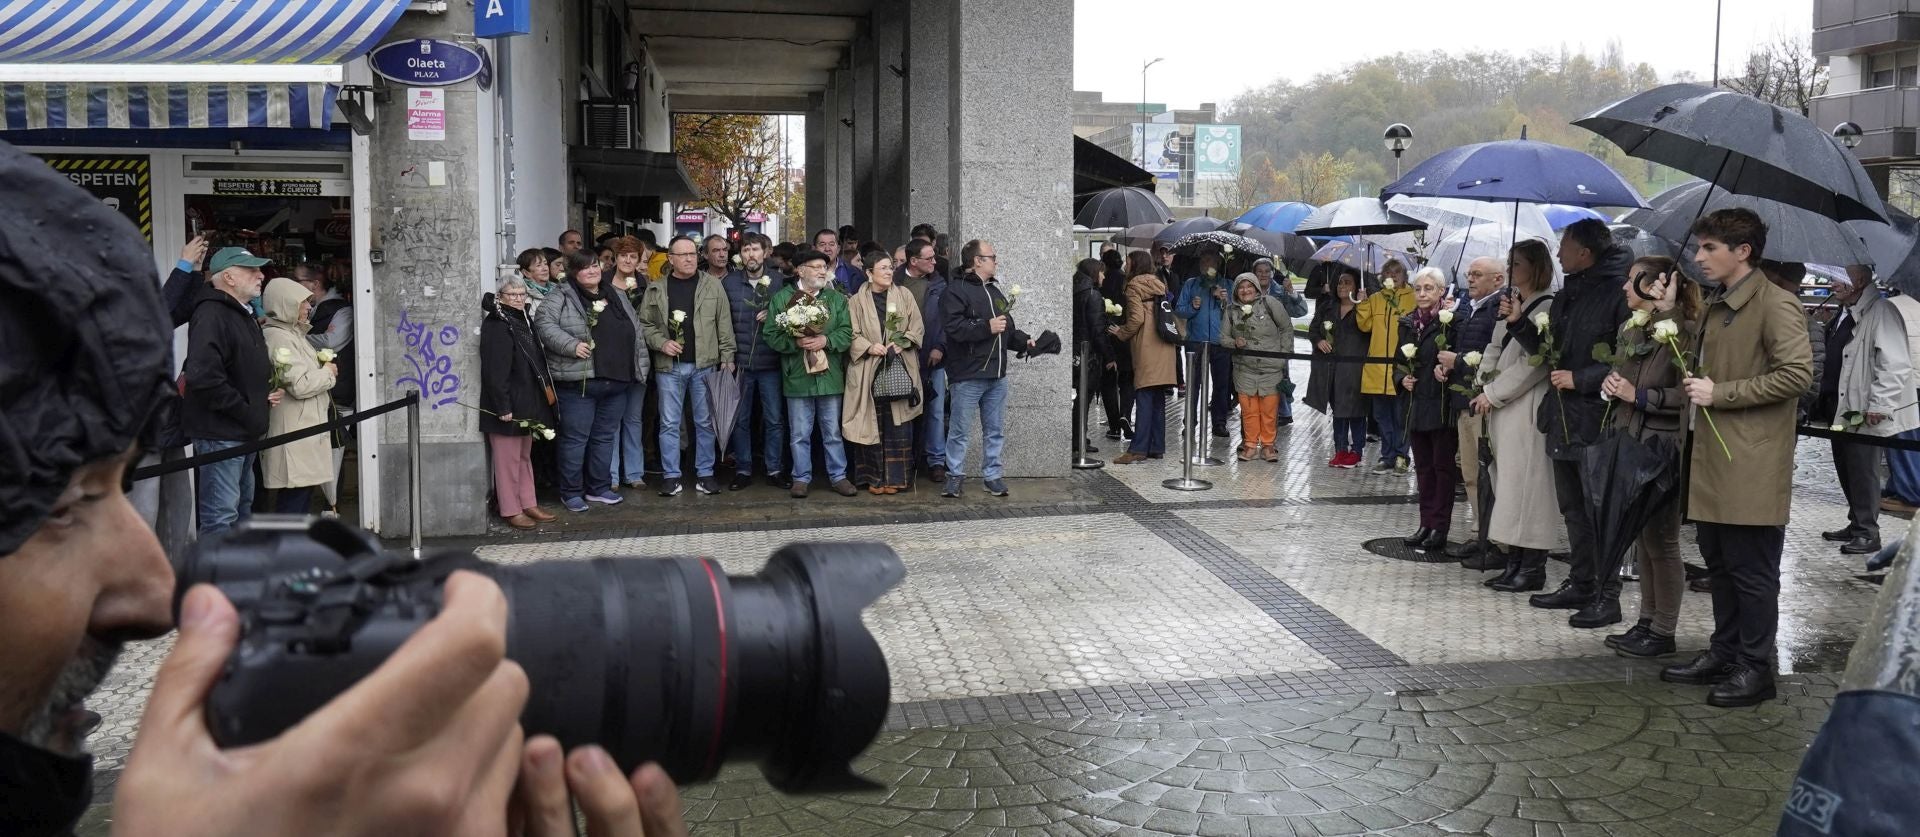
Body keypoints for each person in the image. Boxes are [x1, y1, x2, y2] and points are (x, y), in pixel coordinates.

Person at [0, 141, 686, 837]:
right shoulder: (221, 317)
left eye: (120, 484)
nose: (155, 593)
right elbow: (228, 379)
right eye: (61, 506)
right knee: (229, 510)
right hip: (254, 432)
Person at [1660, 208, 1813, 707]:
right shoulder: (1717, 303)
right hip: (1711, 461)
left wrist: (1720, 392)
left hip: (1749, 465)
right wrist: (1668, 315)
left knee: (1751, 572)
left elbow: (1796, 376)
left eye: (1710, 248)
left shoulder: (1775, 303)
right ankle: (1724, 653)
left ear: (1742, 251)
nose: (1700, 257)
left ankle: (1755, 667)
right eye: (1700, 247)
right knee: (1720, 566)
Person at [1513, 218, 1632, 628]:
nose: (1558, 252)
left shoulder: (1619, 294)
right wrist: (1518, 324)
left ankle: (1606, 593)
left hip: (1596, 418)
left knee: (1599, 508)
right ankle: (1581, 583)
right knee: (1573, 509)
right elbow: (1551, 353)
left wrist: (1581, 379)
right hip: (1562, 416)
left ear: (1584, 252)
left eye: (1564, 245)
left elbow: (1627, 357)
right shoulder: (1568, 294)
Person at [1598, 256, 1700, 658]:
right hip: (1631, 443)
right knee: (1643, 541)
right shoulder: (1632, 329)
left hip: (1661, 449)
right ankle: (1646, 622)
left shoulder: (1684, 333)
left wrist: (1640, 396)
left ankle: (1664, 629)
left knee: (1663, 541)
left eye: (1631, 280)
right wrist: (1614, 385)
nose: (1625, 288)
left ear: (1654, 284)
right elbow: (1627, 378)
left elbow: (1686, 394)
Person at [1476, 240, 1563, 593]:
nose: (1511, 270)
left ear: (1536, 268)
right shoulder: (1513, 304)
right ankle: (1514, 559)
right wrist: (1482, 381)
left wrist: (1495, 392)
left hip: (1526, 407)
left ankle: (1532, 565)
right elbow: (1495, 346)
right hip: (1501, 406)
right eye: (1509, 263)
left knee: (1529, 487)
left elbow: (1535, 363)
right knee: (1507, 485)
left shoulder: (1547, 307)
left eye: (1517, 264)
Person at [533, 249, 648, 513]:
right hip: (579, 382)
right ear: (574, 271)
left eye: (595, 265)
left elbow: (636, 331)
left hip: (617, 380)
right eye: (585, 267)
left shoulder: (616, 295)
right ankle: (571, 492)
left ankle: (598, 488)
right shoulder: (561, 295)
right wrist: (571, 345)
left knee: (604, 437)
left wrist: (638, 370)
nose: (592, 270)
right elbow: (544, 324)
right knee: (575, 439)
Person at [1814, 265, 1915, 555]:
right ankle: (1856, 521)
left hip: (1862, 407)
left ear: (1858, 280)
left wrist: (1880, 404)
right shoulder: (1846, 310)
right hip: (1840, 404)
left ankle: (1868, 531)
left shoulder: (1880, 311)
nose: (1832, 284)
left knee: (1862, 468)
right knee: (1846, 466)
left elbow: (1895, 363)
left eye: (1838, 278)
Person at [183, 246, 277, 535]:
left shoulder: (241, 313)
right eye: (252, 270)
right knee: (220, 518)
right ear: (229, 277)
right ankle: (217, 579)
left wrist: (262, 395)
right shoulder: (212, 313)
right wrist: (247, 411)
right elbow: (203, 377)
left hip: (240, 433)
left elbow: (239, 369)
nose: (261, 275)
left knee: (239, 513)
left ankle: (236, 575)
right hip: (222, 435)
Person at [640, 236, 736, 497]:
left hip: (705, 364)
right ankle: (672, 476)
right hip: (669, 366)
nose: (689, 259)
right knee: (669, 423)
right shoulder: (656, 289)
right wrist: (661, 343)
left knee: (705, 422)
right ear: (670, 259)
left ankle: (705, 473)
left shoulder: (712, 286)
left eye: (693, 254)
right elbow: (644, 326)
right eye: (683, 255)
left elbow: (723, 325)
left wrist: (728, 357)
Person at [940, 239, 1036, 497]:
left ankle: (992, 475)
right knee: (959, 430)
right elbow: (954, 329)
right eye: (992, 256)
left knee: (994, 431)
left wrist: (1024, 341)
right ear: (977, 261)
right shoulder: (955, 291)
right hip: (968, 374)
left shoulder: (995, 292)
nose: (996, 260)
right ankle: (954, 475)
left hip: (997, 376)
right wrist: (985, 327)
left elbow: (1008, 329)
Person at [762, 249, 858, 498]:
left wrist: (825, 340)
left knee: (832, 432)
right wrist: (795, 344)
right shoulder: (783, 298)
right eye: (815, 266)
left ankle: (838, 476)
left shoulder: (836, 299)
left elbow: (847, 333)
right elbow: (771, 334)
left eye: (823, 267)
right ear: (800, 270)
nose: (821, 271)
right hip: (797, 376)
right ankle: (801, 477)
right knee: (799, 433)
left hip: (829, 376)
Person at [1436, 257, 1505, 564]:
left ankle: (1492, 537)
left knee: (1484, 471)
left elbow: (1492, 357)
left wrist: (1458, 360)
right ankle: (1480, 530)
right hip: (1464, 400)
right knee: (1469, 472)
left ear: (1498, 280)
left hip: (1482, 401)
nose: (1471, 279)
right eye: (1469, 275)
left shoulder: (1497, 311)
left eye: (1477, 275)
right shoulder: (1471, 307)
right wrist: (1447, 366)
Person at [843, 247, 924, 494]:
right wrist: (869, 347)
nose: (890, 272)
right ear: (869, 273)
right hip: (869, 369)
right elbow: (851, 334)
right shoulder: (856, 300)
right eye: (884, 268)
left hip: (898, 368)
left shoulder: (905, 295)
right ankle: (873, 479)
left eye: (891, 267)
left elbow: (917, 327)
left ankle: (897, 479)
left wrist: (901, 342)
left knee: (897, 425)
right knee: (871, 424)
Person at [481, 278, 559, 529]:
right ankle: (511, 509)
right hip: (508, 405)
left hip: (527, 401)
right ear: (500, 296)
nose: (517, 297)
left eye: (521, 293)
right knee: (507, 461)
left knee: (524, 456)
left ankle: (528, 502)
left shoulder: (522, 318)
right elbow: (495, 371)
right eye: (511, 293)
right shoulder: (497, 324)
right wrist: (502, 407)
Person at [258, 277, 339, 515]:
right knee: (294, 498)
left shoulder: (293, 334)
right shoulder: (279, 337)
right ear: (286, 304)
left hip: (303, 428)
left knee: (300, 495)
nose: (308, 307)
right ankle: (289, 549)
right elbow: (300, 384)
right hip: (295, 430)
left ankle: (292, 547)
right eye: (303, 302)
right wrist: (328, 373)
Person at [1398, 267, 1459, 553]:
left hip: (1440, 404)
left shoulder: (1450, 322)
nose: (1422, 293)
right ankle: (1425, 522)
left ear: (1441, 291)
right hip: (1415, 403)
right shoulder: (1408, 322)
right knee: (1422, 468)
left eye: (1429, 288)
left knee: (1441, 467)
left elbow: (1459, 358)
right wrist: (1402, 378)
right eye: (1418, 288)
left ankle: (1439, 526)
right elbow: (1397, 361)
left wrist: (1445, 369)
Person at [721, 234, 790, 490]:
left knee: (774, 419)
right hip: (740, 363)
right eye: (746, 250)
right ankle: (743, 469)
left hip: (771, 363)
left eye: (755, 250)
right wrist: (726, 357)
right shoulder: (729, 283)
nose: (751, 254)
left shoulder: (780, 283)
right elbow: (722, 322)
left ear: (766, 253)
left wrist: (773, 315)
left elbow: (791, 319)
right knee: (741, 420)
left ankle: (774, 469)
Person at [1111, 251, 1176, 464]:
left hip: (1147, 346)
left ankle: (1138, 448)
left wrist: (1121, 332)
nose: (1125, 265)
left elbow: (1137, 318)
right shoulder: (1158, 283)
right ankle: (1156, 446)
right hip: (1164, 345)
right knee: (1157, 397)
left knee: (1144, 394)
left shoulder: (1133, 286)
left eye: (1128, 261)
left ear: (1135, 264)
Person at [1219, 272, 1292, 461]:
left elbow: (1286, 328)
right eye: (1241, 287)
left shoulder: (1270, 303)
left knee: (1269, 410)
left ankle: (1268, 446)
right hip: (1244, 370)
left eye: (1249, 286)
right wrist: (1235, 342)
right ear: (1236, 290)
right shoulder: (1230, 310)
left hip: (1270, 368)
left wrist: (1283, 356)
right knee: (1249, 410)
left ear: (1256, 288)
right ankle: (1250, 445)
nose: (1245, 290)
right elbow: (1223, 338)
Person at [1355, 258, 1414, 474]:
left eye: (1397, 272)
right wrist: (1362, 304)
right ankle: (1387, 456)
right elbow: (1365, 325)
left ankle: (1401, 456)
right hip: (1377, 368)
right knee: (1381, 417)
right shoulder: (1376, 298)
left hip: (1400, 368)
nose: (1392, 276)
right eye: (1388, 272)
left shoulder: (1413, 297)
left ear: (1404, 275)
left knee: (1401, 416)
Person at [897, 239, 950, 482]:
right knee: (904, 409)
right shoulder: (895, 280)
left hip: (933, 355)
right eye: (929, 258)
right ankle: (905, 459)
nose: (934, 262)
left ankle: (936, 460)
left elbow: (945, 318)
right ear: (913, 261)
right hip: (902, 356)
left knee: (935, 411)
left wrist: (940, 346)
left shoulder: (939, 283)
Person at [1306, 269, 1369, 468]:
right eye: (1340, 282)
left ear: (1356, 286)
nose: (1342, 286)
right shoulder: (1328, 306)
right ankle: (1340, 449)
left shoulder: (1363, 308)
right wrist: (1319, 341)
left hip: (1354, 368)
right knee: (1338, 409)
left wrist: (1364, 303)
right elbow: (1314, 328)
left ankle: (1356, 451)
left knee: (1356, 410)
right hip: (1331, 367)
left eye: (1347, 282)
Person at [606, 236, 652, 490]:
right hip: (611, 361)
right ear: (616, 257)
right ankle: (611, 475)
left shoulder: (644, 283)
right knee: (611, 420)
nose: (627, 260)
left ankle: (634, 473)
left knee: (633, 419)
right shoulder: (602, 282)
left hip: (638, 360)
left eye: (633, 256)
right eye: (623, 256)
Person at [1175, 251, 1236, 437]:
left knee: (1221, 385)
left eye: (1209, 259)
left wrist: (1224, 300)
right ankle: (1190, 423)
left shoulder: (1228, 284)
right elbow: (1180, 311)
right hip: (1196, 342)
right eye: (1202, 260)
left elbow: (1235, 314)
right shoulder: (1191, 283)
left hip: (1220, 342)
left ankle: (1219, 422)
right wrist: (1193, 307)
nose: (1205, 263)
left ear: (1218, 263)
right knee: (1194, 385)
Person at [1252, 258, 1309, 425]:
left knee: (1280, 378)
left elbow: (1301, 311)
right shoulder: (1248, 291)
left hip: (1278, 344)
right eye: (1259, 271)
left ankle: (1284, 412)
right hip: (1255, 344)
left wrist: (1291, 292)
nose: (1263, 274)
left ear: (1271, 274)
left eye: (1266, 271)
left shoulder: (1280, 292)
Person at [294, 261, 356, 410]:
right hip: (319, 388)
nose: (293, 285)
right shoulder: (314, 308)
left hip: (337, 394)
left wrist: (295, 338)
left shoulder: (343, 310)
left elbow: (330, 343)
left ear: (314, 284)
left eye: (297, 281)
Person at [1071, 258, 1117, 454]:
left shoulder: (1074, 291)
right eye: (1101, 272)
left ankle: (1077, 437)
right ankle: (1079, 439)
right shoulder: (1093, 295)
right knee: (1084, 398)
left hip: (1075, 352)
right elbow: (1098, 331)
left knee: (1079, 398)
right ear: (1093, 273)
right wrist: (1109, 356)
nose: (1104, 276)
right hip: (1089, 355)